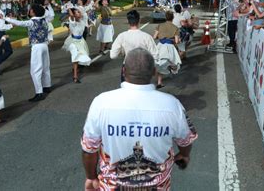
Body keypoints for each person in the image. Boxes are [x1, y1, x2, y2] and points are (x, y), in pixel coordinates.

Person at [81, 48, 198, 190]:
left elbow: (89, 149)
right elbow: (185, 141)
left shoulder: (101, 103)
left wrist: (91, 178)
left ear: (124, 71)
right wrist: (184, 155)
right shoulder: (172, 105)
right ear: (154, 71)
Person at [5, 4, 52, 102]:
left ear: (33, 12)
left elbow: (19, 23)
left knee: (35, 70)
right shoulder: (44, 20)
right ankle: (47, 86)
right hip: (44, 45)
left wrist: (7, 18)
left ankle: (39, 92)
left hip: (36, 47)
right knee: (45, 67)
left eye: (31, 9)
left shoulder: (31, 22)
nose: (29, 10)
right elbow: (49, 14)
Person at [62, 7, 91, 83]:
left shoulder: (82, 20)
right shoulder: (72, 22)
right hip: (73, 42)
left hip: (81, 41)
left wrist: (78, 10)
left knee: (82, 57)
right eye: (77, 12)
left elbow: (84, 12)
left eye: (79, 12)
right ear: (74, 15)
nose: (79, 13)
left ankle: (76, 69)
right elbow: (71, 16)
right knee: (75, 58)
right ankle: (75, 76)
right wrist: (69, 8)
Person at [153, 11, 181, 89]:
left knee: (160, 63)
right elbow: (176, 41)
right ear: (173, 18)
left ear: (165, 17)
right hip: (170, 47)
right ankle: (170, 68)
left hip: (160, 46)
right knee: (174, 63)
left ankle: (159, 82)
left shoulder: (160, 25)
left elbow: (154, 37)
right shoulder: (175, 28)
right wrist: (178, 40)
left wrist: (161, 36)